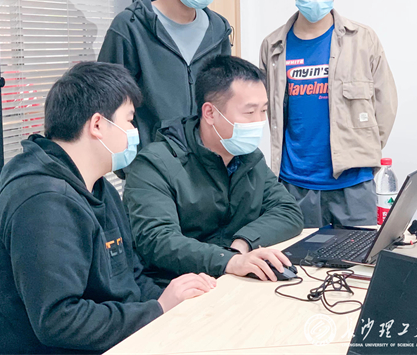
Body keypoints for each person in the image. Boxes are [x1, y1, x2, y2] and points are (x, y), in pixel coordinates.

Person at [0, 62, 216, 355]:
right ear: (98, 125)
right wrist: (158, 310)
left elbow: (131, 277)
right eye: (129, 121)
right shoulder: (42, 202)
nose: (134, 132)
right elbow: (58, 321)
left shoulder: (100, 188)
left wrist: (177, 304)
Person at [124, 56, 304, 284]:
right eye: (249, 113)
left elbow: (288, 211)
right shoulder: (155, 164)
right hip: (176, 286)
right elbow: (157, 240)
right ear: (210, 113)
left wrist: (242, 244)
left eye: (263, 110)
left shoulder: (249, 158)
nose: (259, 122)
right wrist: (228, 260)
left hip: (233, 280)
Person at [259, 0, 398, 228]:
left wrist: (359, 150)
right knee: (297, 257)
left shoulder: (363, 40)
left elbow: (386, 107)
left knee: (359, 256)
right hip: (293, 185)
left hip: (353, 185)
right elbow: (266, 112)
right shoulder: (273, 46)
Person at [98, 0, 232, 153]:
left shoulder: (218, 30)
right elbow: (106, 104)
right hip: (150, 164)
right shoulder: (131, 27)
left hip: (204, 162)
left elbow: (222, 99)